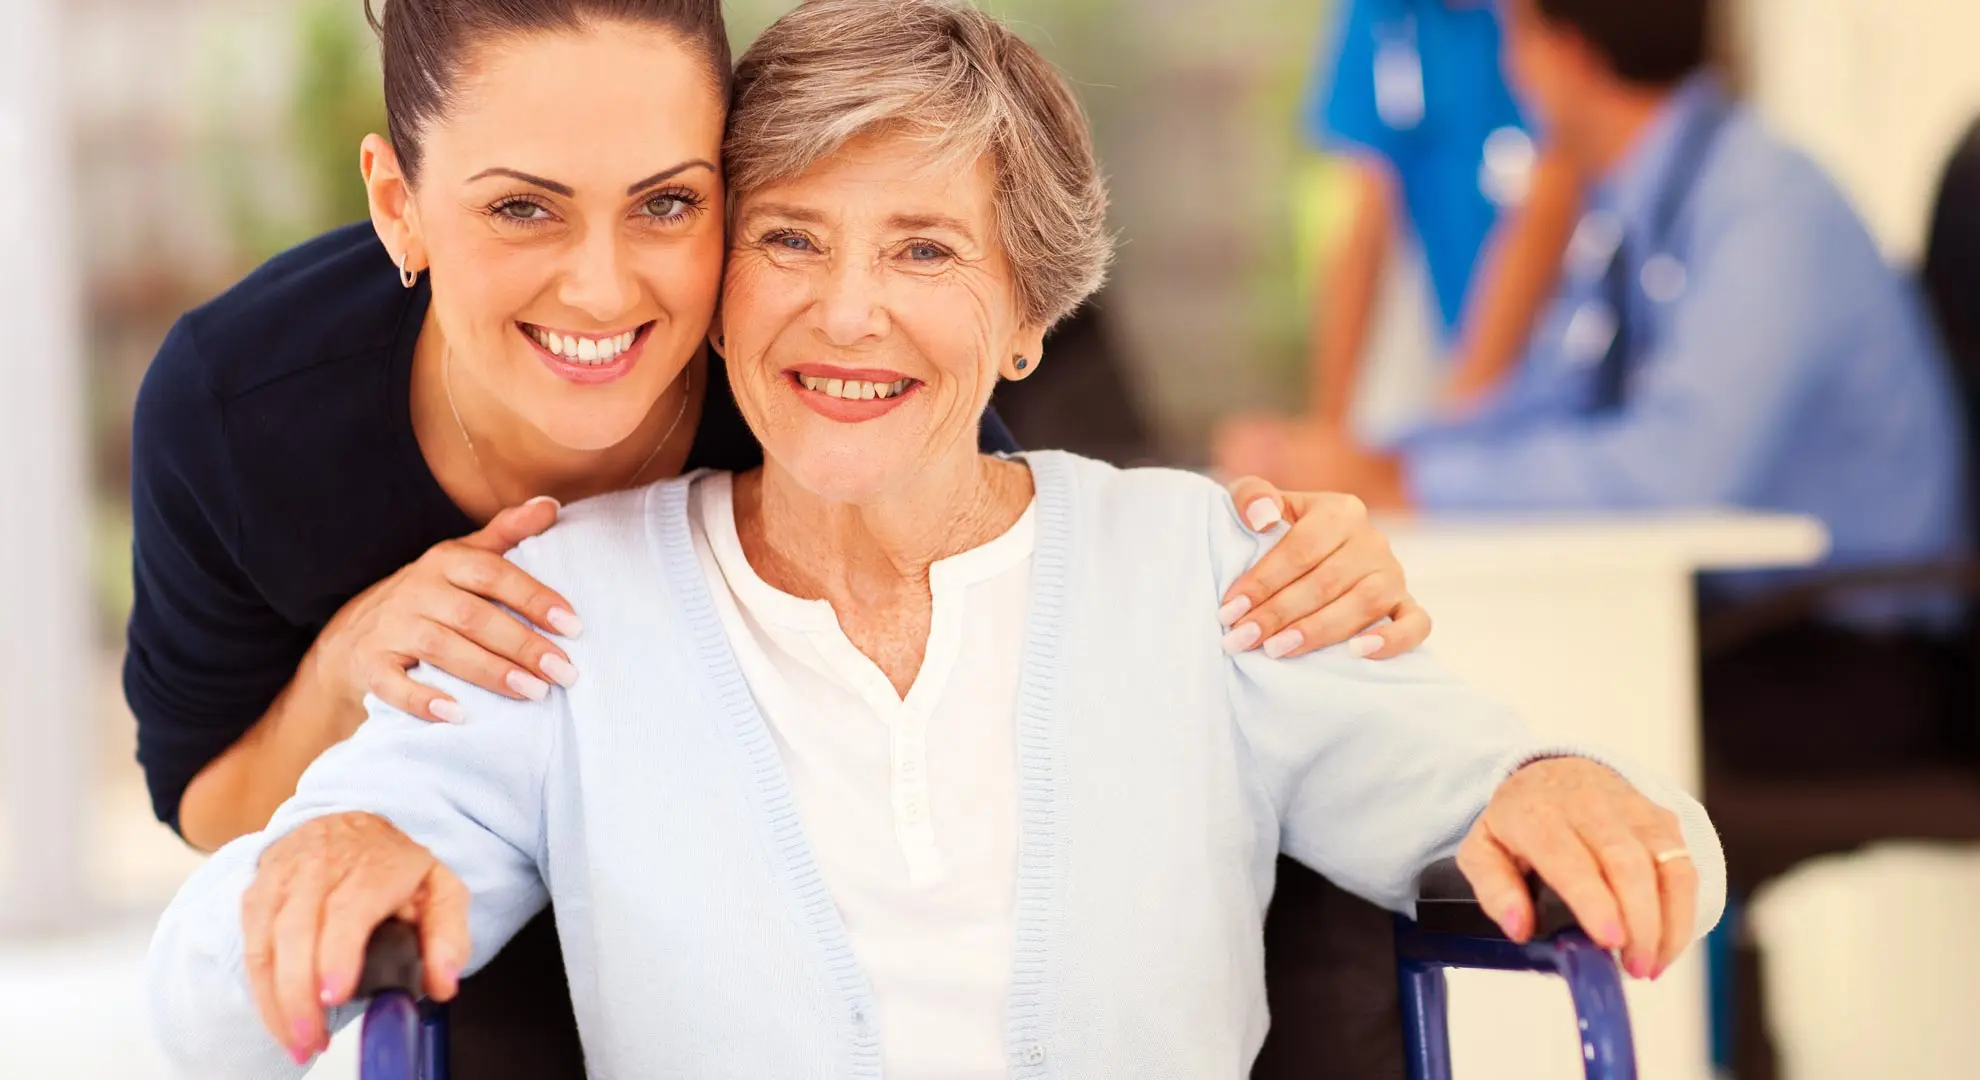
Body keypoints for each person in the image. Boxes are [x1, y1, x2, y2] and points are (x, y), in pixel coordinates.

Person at [147, 3, 1727, 1074]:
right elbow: (203, 982)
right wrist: (320, 857)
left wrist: (1559, 788)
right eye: (790, 240)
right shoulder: (562, 607)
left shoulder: (1202, 575)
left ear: (1029, 318)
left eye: (924, 246)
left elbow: (1635, 842)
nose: (849, 312)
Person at [1293, 0, 1582, 431]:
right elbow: (1365, 215)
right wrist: (1327, 431)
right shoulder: (1379, 14)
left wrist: (1458, 419)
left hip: (1567, 342)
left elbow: (1554, 194)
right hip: (1455, 336)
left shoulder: (1541, 20)